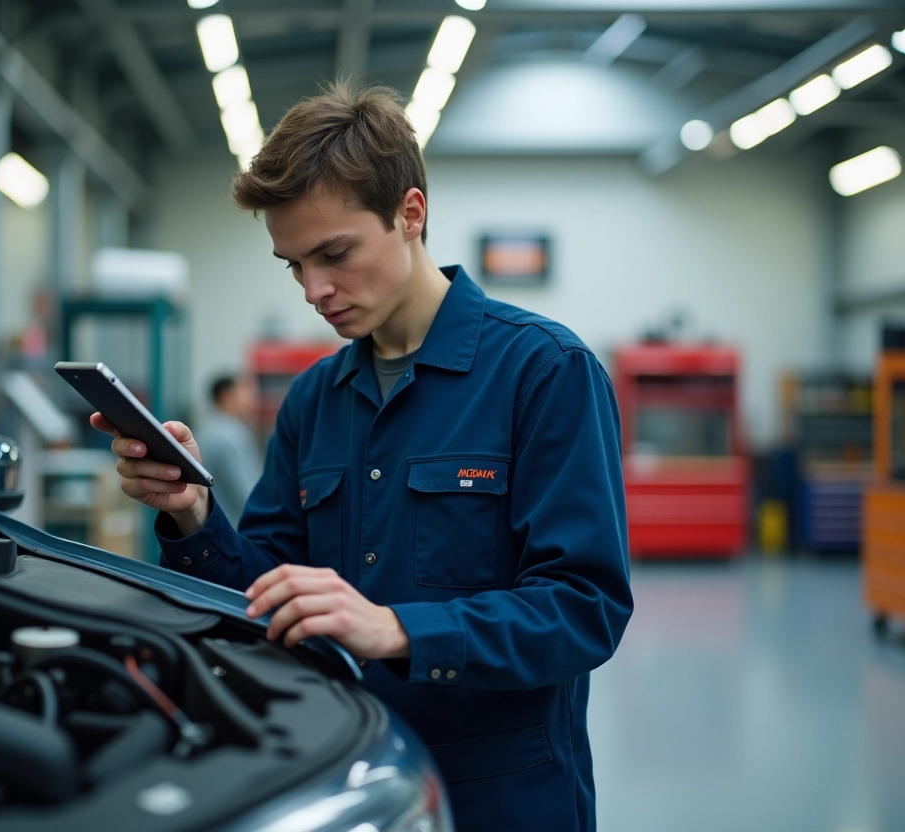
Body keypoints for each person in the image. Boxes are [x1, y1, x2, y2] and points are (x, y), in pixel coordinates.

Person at [91, 80, 632, 832]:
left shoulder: (543, 373)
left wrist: (402, 630)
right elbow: (270, 596)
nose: (315, 290)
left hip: (498, 799)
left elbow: (583, 608)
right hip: (344, 782)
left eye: (334, 254)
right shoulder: (315, 400)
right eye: (293, 266)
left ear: (410, 215)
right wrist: (195, 516)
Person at [195, 373, 262, 522]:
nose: (251, 399)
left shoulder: (206, 428)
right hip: (235, 529)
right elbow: (248, 495)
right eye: (244, 391)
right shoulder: (230, 434)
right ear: (227, 395)